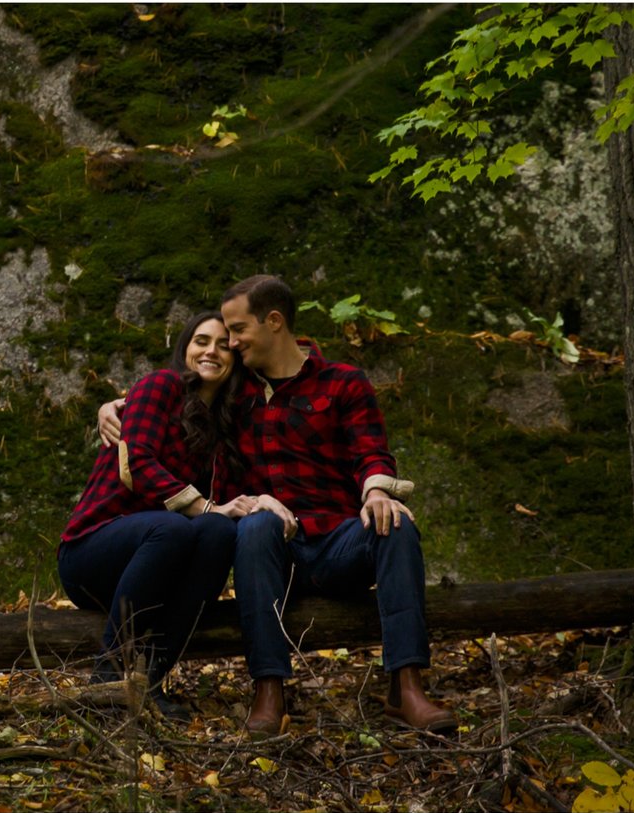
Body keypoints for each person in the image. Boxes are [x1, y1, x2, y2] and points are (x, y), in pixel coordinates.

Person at [98, 275, 452, 735]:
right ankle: (269, 690)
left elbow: (370, 449)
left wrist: (377, 491)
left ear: (274, 322)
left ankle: (407, 687)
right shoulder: (235, 392)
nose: (230, 342)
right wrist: (114, 406)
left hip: (339, 542)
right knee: (254, 526)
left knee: (397, 523)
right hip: (274, 552)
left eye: (237, 330)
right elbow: (173, 397)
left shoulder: (342, 383)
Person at [59, 312, 276, 717]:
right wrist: (204, 506)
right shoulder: (159, 387)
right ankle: (108, 677)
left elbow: (224, 510)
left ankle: (151, 681)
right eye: (200, 341)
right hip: (92, 555)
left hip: (161, 568)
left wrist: (252, 505)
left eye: (223, 345)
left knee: (219, 533)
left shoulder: (227, 428)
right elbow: (137, 464)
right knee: (179, 526)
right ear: (185, 348)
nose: (211, 350)